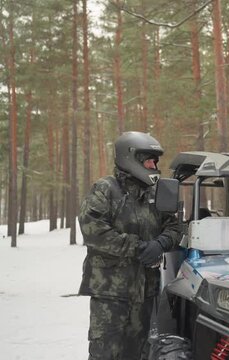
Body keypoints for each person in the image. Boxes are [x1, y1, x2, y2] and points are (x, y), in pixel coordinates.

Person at [78, 131, 181, 359]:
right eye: (149, 160)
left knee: (139, 352)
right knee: (106, 351)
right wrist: (139, 248)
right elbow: (94, 231)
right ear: (130, 158)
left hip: (145, 292)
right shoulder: (105, 189)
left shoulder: (156, 194)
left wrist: (160, 243)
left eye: (155, 161)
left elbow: (174, 227)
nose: (154, 165)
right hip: (111, 293)